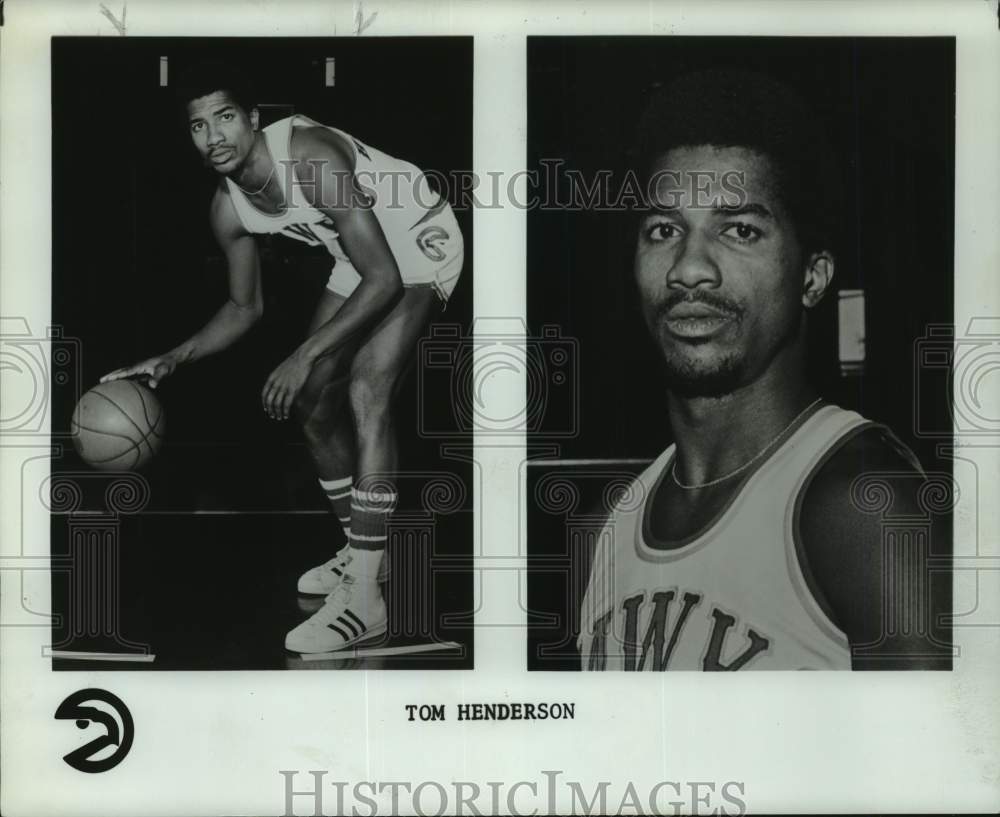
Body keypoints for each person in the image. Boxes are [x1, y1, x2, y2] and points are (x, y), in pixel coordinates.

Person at [578, 69, 951, 671]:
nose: (690, 268)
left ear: (812, 277)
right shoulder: (605, 529)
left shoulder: (863, 507)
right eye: (665, 230)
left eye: (740, 230)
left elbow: (942, 762)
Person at [102, 61, 464, 654]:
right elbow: (244, 308)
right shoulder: (228, 208)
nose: (214, 136)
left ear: (252, 120)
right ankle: (365, 551)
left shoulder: (311, 159)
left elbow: (386, 280)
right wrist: (172, 358)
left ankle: (366, 599)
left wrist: (303, 354)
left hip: (419, 237)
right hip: (364, 251)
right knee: (311, 400)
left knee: (367, 390)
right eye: (197, 126)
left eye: (225, 117)